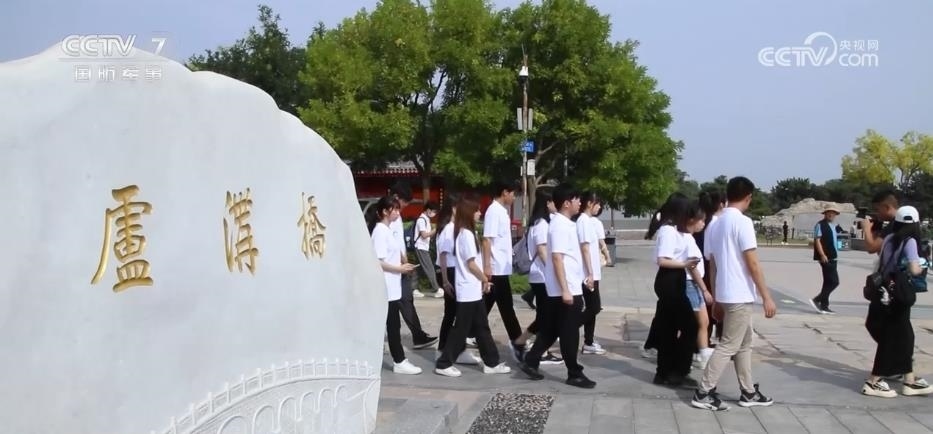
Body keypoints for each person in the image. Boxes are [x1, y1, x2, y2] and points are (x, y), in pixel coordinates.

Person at [692, 176, 776, 411]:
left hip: (726, 292)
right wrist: (767, 296)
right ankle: (704, 391)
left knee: (744, 343)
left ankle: (748, 391)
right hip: (739, 294)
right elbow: (752, 263)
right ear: (748, 197)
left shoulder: (714, 224)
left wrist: (717, 297)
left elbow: (713, 265)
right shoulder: (743, 223)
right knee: (728, 345)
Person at [519, 183, 597, 389]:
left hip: (567, 286)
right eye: (576, 199)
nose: (580, 202)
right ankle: (574, 373)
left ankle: (531, 360)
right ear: (566, 203)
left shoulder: (564, 224)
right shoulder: (560, 226)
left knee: (552, 328)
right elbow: (557, 258)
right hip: (566, 288)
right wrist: (565, 290)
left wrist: (584, 276)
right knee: (569, 331)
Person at [861, 206, 933, 398]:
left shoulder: (889, 238)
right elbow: (915, 269)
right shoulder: (910, 242)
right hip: (899, 296)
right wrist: (924, 263)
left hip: (885, 292)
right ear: (916, 224)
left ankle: (909, 380)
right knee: (893, 339)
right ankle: (873, 382)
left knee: (905, 338)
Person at [434, 198, 511, 377]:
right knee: (461, 328)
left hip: (472, 289)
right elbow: (471, 264)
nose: (479, 213)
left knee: (482, 327)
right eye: (476, 210)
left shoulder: (466, 233)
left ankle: (491, 362)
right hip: (468, 288)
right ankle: (444, 363)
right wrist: (484, 279)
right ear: (469, 212)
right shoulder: (466, 235)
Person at [368, 196, 422, 375]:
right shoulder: (380, 231)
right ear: (385, 211)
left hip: (392, 286)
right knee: (392, 325)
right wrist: (399, 269)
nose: (398, 213)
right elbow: (378, 261)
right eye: (395, 209)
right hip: (385, 287)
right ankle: (399, 360)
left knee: (393, 324)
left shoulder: (387, 230)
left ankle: (397, 360)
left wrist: (402, 266)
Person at [652, 195, 700, 387]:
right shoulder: (668, 231)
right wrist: (685, 264)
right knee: (690, 326)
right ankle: (678, 370)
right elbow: (662, 260)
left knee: (669, 328)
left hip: (675, 279)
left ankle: (665, 372)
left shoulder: (676, 231)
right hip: (669, 281)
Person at [512, 190, 564, 365]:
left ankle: (531, 346)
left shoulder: (537, 223)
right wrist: (554, 270)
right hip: (542, 276)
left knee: (544, 316)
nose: (556, 205)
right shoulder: (541, 224)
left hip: (540, 276)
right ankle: (526, 345)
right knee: (546, 316)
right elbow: (542, 251)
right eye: (554, 202)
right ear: (547, 203)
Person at [388, 182, 438, 349]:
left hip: (399, 266)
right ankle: (415, 338)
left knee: (405, 300)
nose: (403, 207)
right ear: (396, 197)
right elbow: (391, 244)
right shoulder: (388, 216)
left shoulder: (396, 216)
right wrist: (403, 262)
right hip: (392, 268)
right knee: (398, 304)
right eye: (404, 203)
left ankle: (418, 336)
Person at [434, 195, 482, 365]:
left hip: (455, 271)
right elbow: (443, 255)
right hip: (451, 272)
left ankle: (457, 350)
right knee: (453, 313)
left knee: (458, 314)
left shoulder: (457, 228)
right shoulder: (448, 228)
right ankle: (443, 349)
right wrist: (445, 280)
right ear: (453, 209)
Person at [482, 180, 524, 359]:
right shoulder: (493, 211)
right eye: (513, 194)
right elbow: (487, 240)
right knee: (507, 308)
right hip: (495, 269)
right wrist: (487, 266)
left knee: (482, 309)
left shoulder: (501, 211)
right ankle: (518, 341)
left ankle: (463, 336)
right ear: (505, 192)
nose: (514, 197)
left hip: (501, 268)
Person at [575, 192, 607, 355]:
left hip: (592, 272)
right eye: (598, 204)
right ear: (589, 203)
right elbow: (585, 249)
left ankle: (589, 341)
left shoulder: (588, 221)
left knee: (592, 307)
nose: (599, 207)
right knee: (594, 307)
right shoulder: (583, 221)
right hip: (587, 274)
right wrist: (590, 274)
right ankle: (569, 328)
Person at [811, 206, 841, 314]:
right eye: (829, 212)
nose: (831, 215)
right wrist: (822, 254)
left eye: (833, 213)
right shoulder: (820, 225)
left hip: (833, 256)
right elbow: (817, 240)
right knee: (834, 282)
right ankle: (817, 299)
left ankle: (824, 306)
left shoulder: (833, 225)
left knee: (828, 281)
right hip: (826, 257)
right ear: (825, 213)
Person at [414, 201, 444, 298]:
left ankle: (414, 288)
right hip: (421, 247)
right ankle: (437, 288)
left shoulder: (426, 219)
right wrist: (436, 230)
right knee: (429, 267)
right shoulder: (421, 220)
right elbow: (424, 235)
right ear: (428, 210)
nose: (434, 214)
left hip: (422, 247)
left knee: (418, 269)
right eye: (434, 211)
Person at [861, 190, 900, 255]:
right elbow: (880, 251)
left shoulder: (895, 225)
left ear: (886, 207)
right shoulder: (901, 221)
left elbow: (871, 248)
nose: (876, 213)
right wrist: (876, 231)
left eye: (877, 210)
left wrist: (866, 229)